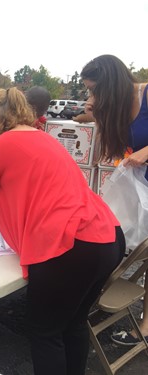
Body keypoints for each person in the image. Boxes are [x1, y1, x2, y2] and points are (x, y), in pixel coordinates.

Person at [0, 87, 125, 375]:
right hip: (106, 235)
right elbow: (43, 196)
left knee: (45, 333)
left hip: (69, 245)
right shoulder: (44, 139)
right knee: (72, 323)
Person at [80, 54, 148, 346]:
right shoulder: (112, 105)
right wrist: (91, 110)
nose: (92, 95)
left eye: (95, 90)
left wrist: (147, 152)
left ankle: (145, 327)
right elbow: (107, 142)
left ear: (112, 85)